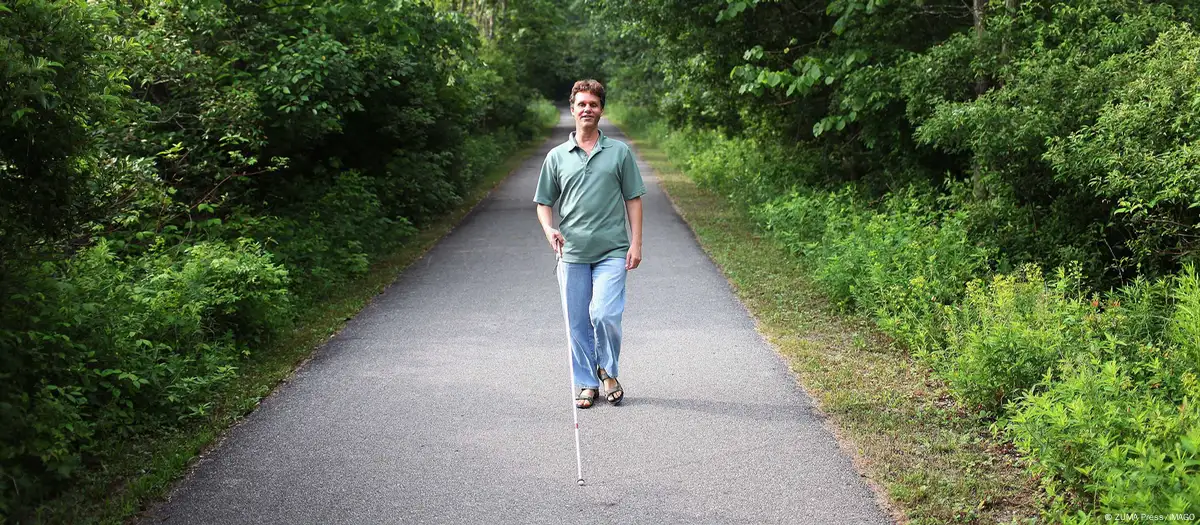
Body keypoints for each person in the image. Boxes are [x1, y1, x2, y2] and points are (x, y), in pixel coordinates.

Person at [534, 79, 645, 409]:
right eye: (581, 104)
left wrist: (636, 243)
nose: (587, 109)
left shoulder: (619, 152)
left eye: (593, 104)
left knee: (604, 313)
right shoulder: (557, 157)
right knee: (577, 321)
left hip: (612, 249)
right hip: (572, 253)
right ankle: (586, 383)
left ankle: (607, 372)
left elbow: (634, 199)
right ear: (572, 109)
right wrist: (548, 229)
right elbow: (543, 202)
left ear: (601, 110)